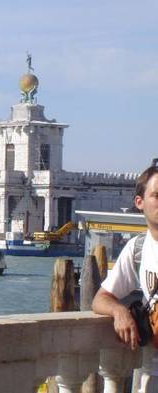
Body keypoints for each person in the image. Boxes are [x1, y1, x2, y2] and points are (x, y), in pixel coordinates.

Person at [92, 161, 158, 384]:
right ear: (140, 202)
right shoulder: (137, 249)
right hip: (151, 374)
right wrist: (119, 311)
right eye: (157, 195)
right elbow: (100, 299)